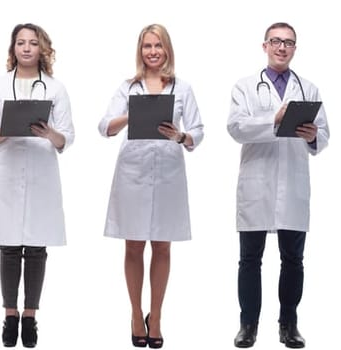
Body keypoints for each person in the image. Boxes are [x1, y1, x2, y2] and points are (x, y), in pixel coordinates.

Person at [99, 23, 204, 349]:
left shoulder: (182, 88)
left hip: (169, 171)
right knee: (133, 245)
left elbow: (197, 130)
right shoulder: (128, 87)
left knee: (162, 246)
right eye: (147, 46)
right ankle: (135, 313)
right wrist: (131, 115)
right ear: (140, 51)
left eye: (158, 46)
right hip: (133, 171)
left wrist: (181, 136)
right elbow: (104, 126)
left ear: (167, 49)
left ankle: (155, 316)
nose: (153, 52)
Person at [226, 22, 328, 349]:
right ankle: (248, 325)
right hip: (257, 184)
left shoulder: (308, 88)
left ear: (295, 49)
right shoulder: (245, 87)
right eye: (276, 41)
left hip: (294, 184)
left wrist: (314, 137)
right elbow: (236, 127)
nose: (282, 47)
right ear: (265, 46)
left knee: (293, 259)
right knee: (249, 259)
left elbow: (324, 135)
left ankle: (289, 324)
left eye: (288, 43)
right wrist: (274, 120)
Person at [0, 22, 75, 350]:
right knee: (8, 247)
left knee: (36, 248)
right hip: (6, 171)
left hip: (41, 172)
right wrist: (7, 129)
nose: (27, 48)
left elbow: (67, 137)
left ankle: (30, 316)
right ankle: (10, 315)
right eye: (21, 42)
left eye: (33, 43)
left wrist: (49, 134)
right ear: (13, 49)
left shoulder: (56, 89)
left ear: (42, 48)